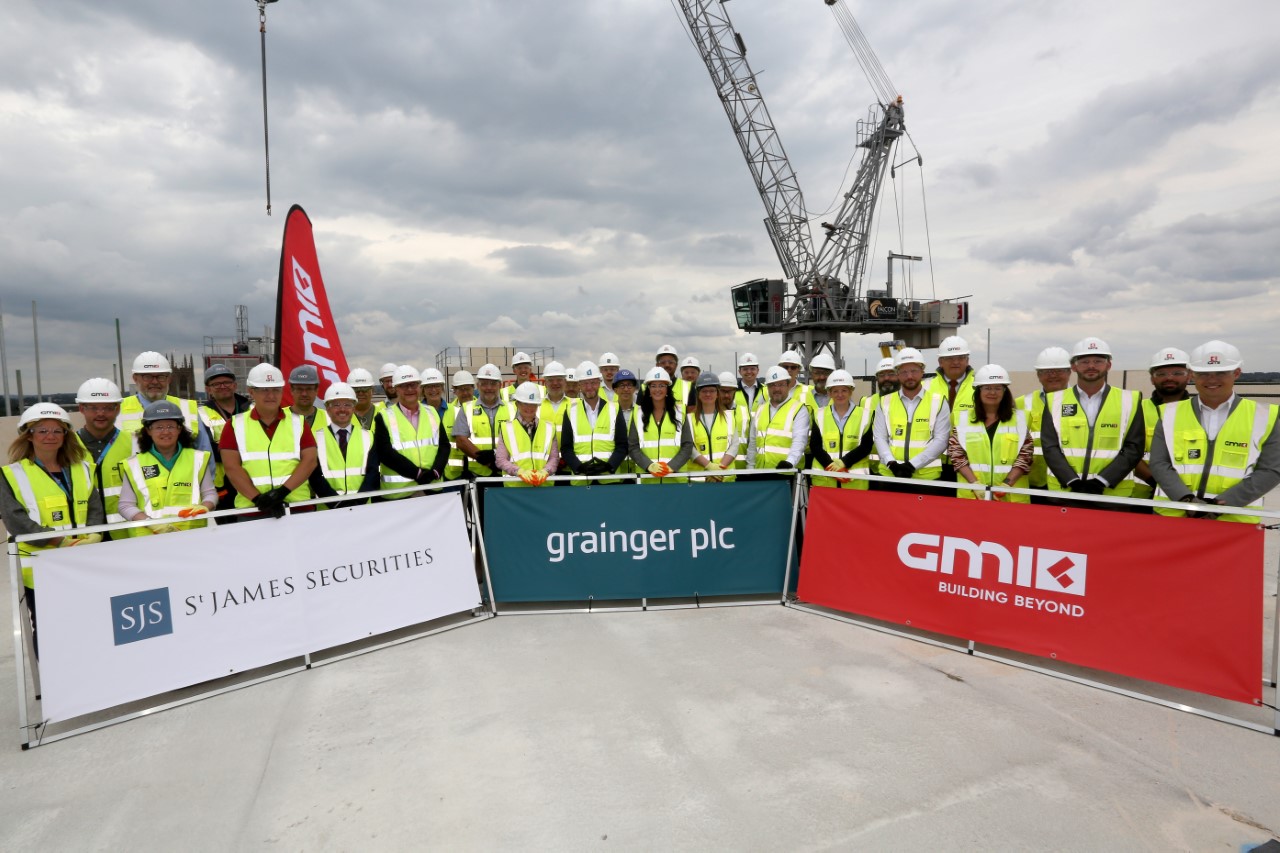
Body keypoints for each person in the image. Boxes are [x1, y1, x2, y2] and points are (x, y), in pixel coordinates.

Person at [1, 403, 105, 655]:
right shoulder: (11, 475)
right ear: (29, 435)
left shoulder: (83, 469)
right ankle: (53, 684)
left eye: (57, 431)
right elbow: (16, 521)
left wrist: (95, 534)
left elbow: (94, 508)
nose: (50, 436)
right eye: (42, 431)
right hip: (41, 566)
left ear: (66, 435)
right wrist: (58, 541)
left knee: (89, 621)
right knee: (49, 627)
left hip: (83, 559)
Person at [1151, 341, 1280, 523]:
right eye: (1203, 373)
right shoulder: (1169, 413)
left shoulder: (1266, 416)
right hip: (1174, 515)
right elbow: (1159, 463)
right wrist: (1187, 501)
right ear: (1193, 375)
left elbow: (1271, 470)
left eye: (1221, 373)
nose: (1212, 379)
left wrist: (1221, 505)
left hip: (1233, 522)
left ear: (1236, 373)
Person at [1039, 337, 1145, 505]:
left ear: (1109, 365)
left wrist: (1102, 481)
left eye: (1098, 361)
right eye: (1085, 361)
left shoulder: (1130, 400)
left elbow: (1134, 447)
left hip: (1112, 494)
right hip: (1065, 493)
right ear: (1073, 366)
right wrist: (1071, 480)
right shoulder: (1054, 400)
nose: (1091, 366)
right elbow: (1050, 446)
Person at [220, 363, 319, 520]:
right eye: (264, 390)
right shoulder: (234, 425)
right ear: (251, 391)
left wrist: (282, 493)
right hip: (252, 510)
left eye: (276, 390)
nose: (271, 395)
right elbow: (231, 467)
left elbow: (310, 460)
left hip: (296, 507)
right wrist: (258, 499)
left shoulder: (298, 422)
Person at [118, 400, 217, 535]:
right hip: (149, 539)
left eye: (171, 426)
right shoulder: (134, 464)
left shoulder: (197, 459)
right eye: (159, 427)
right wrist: (151, 523)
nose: (166, 432)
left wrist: (204, 507)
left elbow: (210, 494)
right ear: (148, 430)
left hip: (192, 536)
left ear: (179, 429)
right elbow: (125, 505)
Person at [948, 365, 1033, 502]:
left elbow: (1025, 456)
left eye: (997, 388)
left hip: (1011, 498)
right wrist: (975, 485)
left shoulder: (1020, 419)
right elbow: (956, 455)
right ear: (978, 391)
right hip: (973, 496)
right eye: (987, 388)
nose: (992, 392)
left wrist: (1006, 485)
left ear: (1005, 391)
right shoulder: (962, 419)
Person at [871, 348, 951, 492]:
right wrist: (891, 463)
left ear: (922, 371)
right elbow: (879, 437)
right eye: (904, 372)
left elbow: (941, 440)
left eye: (914, 371)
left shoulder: (938, 402)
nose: (909, 376)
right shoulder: (885, 402)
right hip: (890, 475)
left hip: (926, 478)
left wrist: (912, 465)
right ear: (898, 374)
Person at [372, 365, 449, 499]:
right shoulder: (383, 417)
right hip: (399, 493)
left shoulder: (432, 413)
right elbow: (385, 453)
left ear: (420, 387)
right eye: (404, 386)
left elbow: (444, 446)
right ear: (396, 389)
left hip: (431, 487)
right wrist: (417, 473)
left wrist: (436, 472)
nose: (409, 389)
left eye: (413, 385)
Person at [1131, 347, 1192, 503]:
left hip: (1191, 498)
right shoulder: (1136, 410)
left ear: (1190, 376)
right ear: (1152, 378)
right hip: (1141, 497)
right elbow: (1127, 452)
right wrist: (1158, 482)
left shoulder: (1201, 412)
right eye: (1161, 374)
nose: (1169, 378)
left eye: (1177, 373)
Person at [118, 351, 211, 452]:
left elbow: (204, 452)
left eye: (161, 377)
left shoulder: (188, 408)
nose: (154, 382)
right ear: (135, 379)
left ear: (169, 379)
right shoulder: (117, 408)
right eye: (147, 377)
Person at [308, 383, 380, 508]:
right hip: (328, 510)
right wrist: (337, 504)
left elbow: (373, 474)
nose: (342, 409)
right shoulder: (314, 438)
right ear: (327, 408)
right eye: (336, 405)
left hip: (363, 508)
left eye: (347, 405)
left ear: (353, 408)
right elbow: (314, 477)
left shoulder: (369, 436)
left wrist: (358, 501)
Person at [74, 377, 131, 529]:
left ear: (118, 409)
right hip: (84, 532)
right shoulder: (67, 445)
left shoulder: (134, 443)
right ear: (81, 409)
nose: (101, 413)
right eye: (93, 408)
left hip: (124, 532)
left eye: (107, 408)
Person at [1016, 347, 1071, 496]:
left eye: (1059, 371)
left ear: (1069, 372)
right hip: (1033, 483)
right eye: (1046, 371)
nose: (1053, 376)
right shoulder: (1021, 403)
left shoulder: (1083, 402)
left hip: (1070, 483)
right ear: (1038, 375)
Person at [560, 361, 627, 484]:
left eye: (593, 382)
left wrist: (609, 466)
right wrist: (579, 467)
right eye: (585, 383)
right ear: (579, 385)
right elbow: (566, 448)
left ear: (599, 383)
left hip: (609, 480)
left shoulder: (615, 408)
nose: (589, 387)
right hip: (581, 480)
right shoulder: (570, 410)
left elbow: (622, 445)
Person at [198, 364, 252, 511]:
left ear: (234, 385)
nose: (222, 386)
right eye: (216, 384)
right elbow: (206, 449)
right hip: (222, 483)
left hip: (254, 478)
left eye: (227, 382)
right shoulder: (200, 414)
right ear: (208, 389)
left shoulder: (252, 408)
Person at [808, 370, 875, 488]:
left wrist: (844, 462)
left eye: (844, 390)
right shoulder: (819, 414)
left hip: (854, 481)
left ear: (850, 392)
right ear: (829, 393)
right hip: (825, 480)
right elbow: (815, 445)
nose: (840, 395)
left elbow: (866, 446)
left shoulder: (865, 415)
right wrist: (831, 467)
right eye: (835, 391)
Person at [629, 367, 693, 484]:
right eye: (653, 386)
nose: (657, 389)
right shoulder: (637, 413)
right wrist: (649, 466)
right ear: (648, 389)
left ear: (667, 389)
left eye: (661, 385)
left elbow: (687, 445)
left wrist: (671, 467)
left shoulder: (680, 412)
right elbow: (633, 446)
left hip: (676, 480)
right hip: (647, 481)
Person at [747, 364, 811, 473]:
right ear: (767, 387)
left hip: (787, 474)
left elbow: (799, 441)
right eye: (772, 385)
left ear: (787, 385)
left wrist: (790, 462)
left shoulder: (799, 410)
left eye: (781, 385)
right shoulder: (760, 410)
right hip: (760, 473)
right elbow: (753, 444)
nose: (776, 389)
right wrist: (750, 469)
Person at [455, 363, 514, 481]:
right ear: (478, 386)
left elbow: (520, 439)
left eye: (493, 383)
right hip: (478, 476)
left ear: (500, 385)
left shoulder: (513, 408)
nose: (489, 388)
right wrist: (484, 460)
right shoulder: (466, 408)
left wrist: (497, 457)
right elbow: (461, 440)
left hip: (507, 474)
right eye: (484, 384)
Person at [497, 382, 558, 486]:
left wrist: (545, 471)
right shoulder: (506, 428)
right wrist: (518, 471)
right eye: (525, 403)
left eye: (533, 404)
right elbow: (501, 460)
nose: (529, 408)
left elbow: (554, 458)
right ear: (517, 404)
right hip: (516, 489)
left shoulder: (549, 428)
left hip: (543, 487)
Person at [687, 372, 739, 482]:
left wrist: (718, 471)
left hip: (725, 479)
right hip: (699, 482)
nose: (708, 394)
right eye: (704, 391)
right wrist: (709, 466)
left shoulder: (729, 417)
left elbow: (734, 446)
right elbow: (689, 448)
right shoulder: (689, 419)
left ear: (717, 393)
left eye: (712, 391)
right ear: (698, 394)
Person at [612, 369, 641, 476]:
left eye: (629, 385)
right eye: (621, 386)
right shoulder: (608, 411)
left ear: (634, 388)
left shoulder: (642, 412)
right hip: (616, 467)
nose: (626, 389)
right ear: (615, 389)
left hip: (638, 466)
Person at [719, 371, 750, 470]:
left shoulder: (744, 411)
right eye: (723, 391)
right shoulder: (711, 413)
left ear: (735, 391)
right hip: (718, 470)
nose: (727, 395)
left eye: (730, 391)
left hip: (742, 468)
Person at [286, 364, 327, 431]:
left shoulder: (329, 419)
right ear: (291, 390)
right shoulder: (279, 419)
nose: (304, 394)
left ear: (316, 390)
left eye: (309, 389)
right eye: (299, 389)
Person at [538, 361, 572, 436]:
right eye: (550, 380)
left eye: (559, 379)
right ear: (545, 383)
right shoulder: (537, 406)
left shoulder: (575, 404)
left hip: (568, 448)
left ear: (565, 382)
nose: (555, 383)